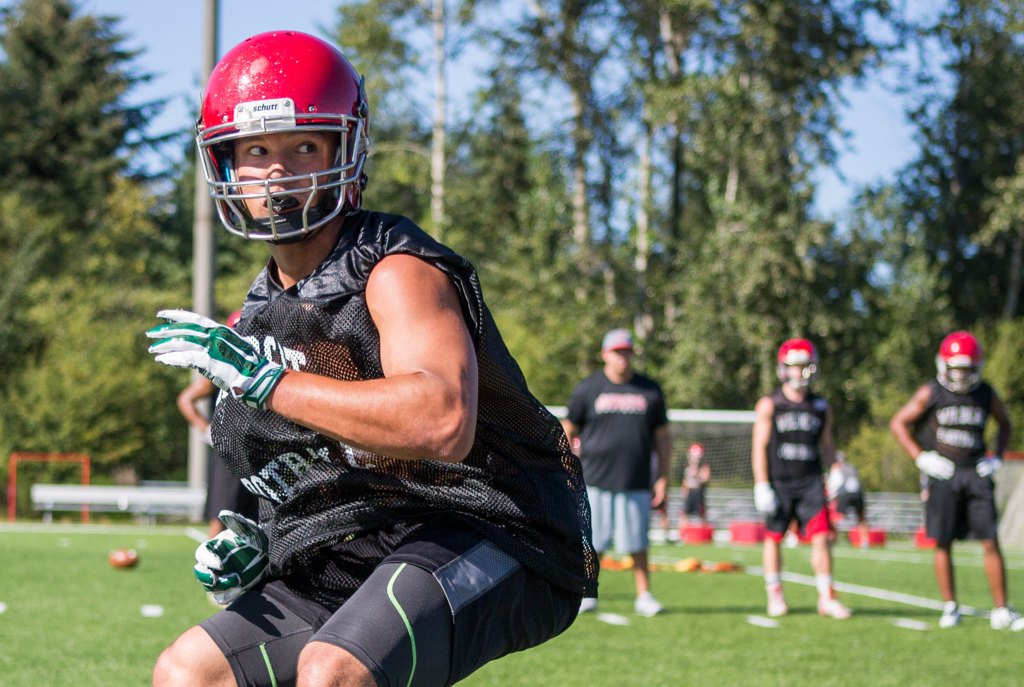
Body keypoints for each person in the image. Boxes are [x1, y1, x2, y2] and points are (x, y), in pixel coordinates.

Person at [145, 30, 597, 687]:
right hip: (362, 541)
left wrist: (268, 379)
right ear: (226, 167)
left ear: (345, 149)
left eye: (303, 145)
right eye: (255, 151)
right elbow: (311, 462)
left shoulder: (392, 269)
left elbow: (441, 420)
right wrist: (260, 540)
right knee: (187, 671)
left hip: (493, 523)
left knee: (334, 672)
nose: (277, 172)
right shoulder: (261, 312)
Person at [890, 330, 1022, 630]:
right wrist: (921, 457)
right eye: (956, 368)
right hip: (943, 473)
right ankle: (950, 606)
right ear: (944, 365)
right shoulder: (932, 392)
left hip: (976, 473)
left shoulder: (985, 393)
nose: (961, 375)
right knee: (943, 541)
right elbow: (899, 423)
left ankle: (1002, 608)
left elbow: (1005, 425)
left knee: (991, 540)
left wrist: (997, 457)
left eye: (967, 368)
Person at [561, 328, 672, 617]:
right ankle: (587, 592)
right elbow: (568, 426)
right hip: (595, 479)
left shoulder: (649, 390)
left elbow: (662, 436)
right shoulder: (588, 389)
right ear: (604, 355)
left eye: (626, 351)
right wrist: (563, 464)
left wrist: (663, 477)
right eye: (616, 351)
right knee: (593, 542)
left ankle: (644, 595)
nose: (622, 357)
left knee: (637, 543)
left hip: (635, 479)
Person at [751, 338, 851, 619]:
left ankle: (826, 597)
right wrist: (761, 484)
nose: (799, 372)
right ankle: (775, 594)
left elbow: (827, 444)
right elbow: (759, 445)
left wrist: (835, 469)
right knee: (773, 537)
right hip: (779, 481)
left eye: (804, 366)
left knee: (821, 538)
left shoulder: (820, 406)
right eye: (794, 367)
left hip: (810, 482)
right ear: (783, 369)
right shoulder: (771, 404)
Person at [175, 310, 260, 538]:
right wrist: (207, 431)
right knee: (222, 517)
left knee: (258, 523)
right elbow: (186, 399)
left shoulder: (263, 361)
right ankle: (214, 568)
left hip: (260, 451)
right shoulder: (222, 366)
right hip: (231, 451)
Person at [826, 452, 869, 548]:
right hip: (858, 493)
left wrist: (831, 498)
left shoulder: (836, 468)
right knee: (861, 518)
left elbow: (834, 485)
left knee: (835, 518)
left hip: (844, 494)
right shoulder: (852, 467)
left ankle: (833, 539)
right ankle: (865, 541)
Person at [678, 442, 711, 532]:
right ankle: (682, 535)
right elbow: (685, 481)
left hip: (698, 492)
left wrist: (697, 475)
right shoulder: (687, 467)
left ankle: (705, 533)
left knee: (702, 513)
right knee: (684, 514)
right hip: (689, 492)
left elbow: (706, 479)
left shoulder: (703, 467)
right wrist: (684, 491)